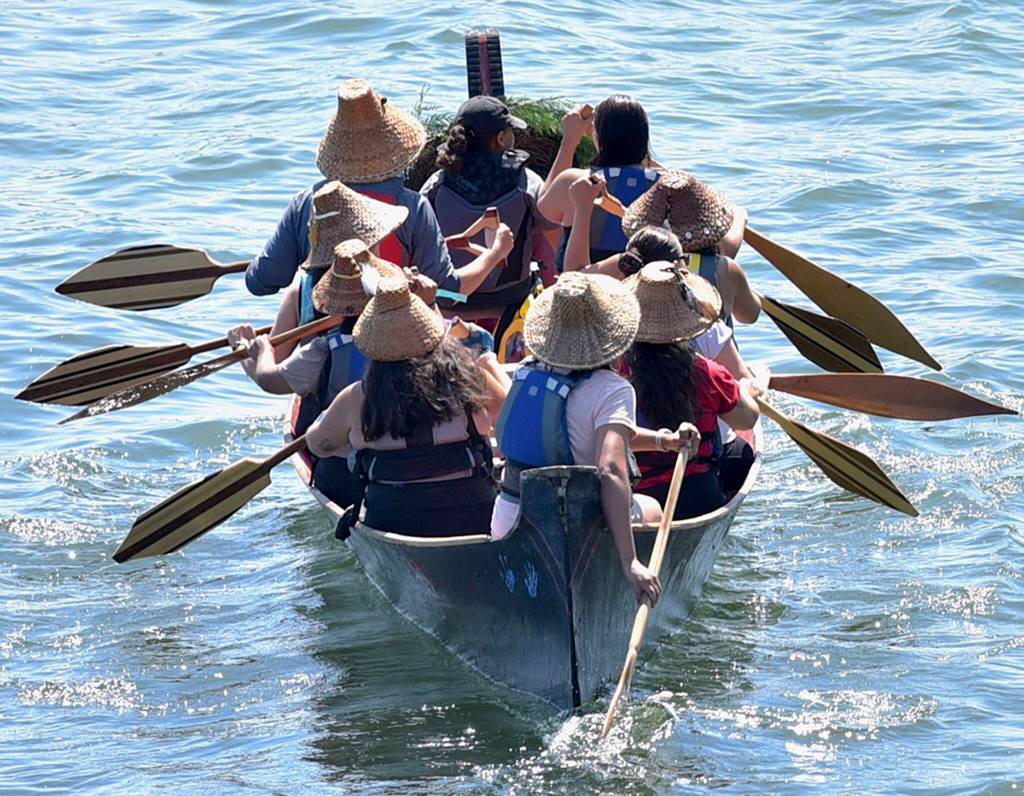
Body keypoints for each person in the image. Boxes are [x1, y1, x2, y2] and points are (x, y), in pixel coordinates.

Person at [245, 79, 513, 302]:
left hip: (319, 339)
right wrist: (495, 254)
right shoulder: (413, 208)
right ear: (394, 148)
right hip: (394, 342)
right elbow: (446, 291)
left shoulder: (305, 204)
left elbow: (261, 282)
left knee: (295, 292)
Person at [490, 272, 663, 606]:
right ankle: (628, 583)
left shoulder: (525, 373)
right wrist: (630, 563)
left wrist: (661, 441)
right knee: (654, 509)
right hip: (577, 532)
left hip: (511, 524)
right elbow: (611, 469)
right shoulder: (613, 390)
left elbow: (580, 430)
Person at [305, 278, 510, 537]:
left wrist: (349, 437)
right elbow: (510, 423)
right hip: (473, 515)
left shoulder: (357, 397)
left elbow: (317, 444)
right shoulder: (470, 378)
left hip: (393, 520)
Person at [228, 240, 402, 507]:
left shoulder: (320, 350)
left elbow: (268, 379)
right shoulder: (416, 341)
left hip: (346, 472)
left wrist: (255, 351)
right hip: (409, 463)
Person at [420, 97, 588, 317]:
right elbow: (550, 220)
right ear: (500, 138)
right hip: (509, 298)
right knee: (540, 232)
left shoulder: (437, 184)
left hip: (452, 298)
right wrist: (570, 142)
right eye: (511, 131)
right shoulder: (526, 182)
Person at [538, 95, 749, 265]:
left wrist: (569, 141)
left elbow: (540, 214)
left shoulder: (577, 182)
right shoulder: (670, 190)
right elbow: (724, 252)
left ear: (600, 140)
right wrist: (738, 217)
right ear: (644, 139)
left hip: (585, 290)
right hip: (648, 300)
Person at [625, 263, 765, 518]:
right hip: (700, 496)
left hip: (638, 498)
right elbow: (748, 418)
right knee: (743, 455)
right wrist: (744, 388)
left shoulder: (616, 376)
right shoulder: (706, 372)